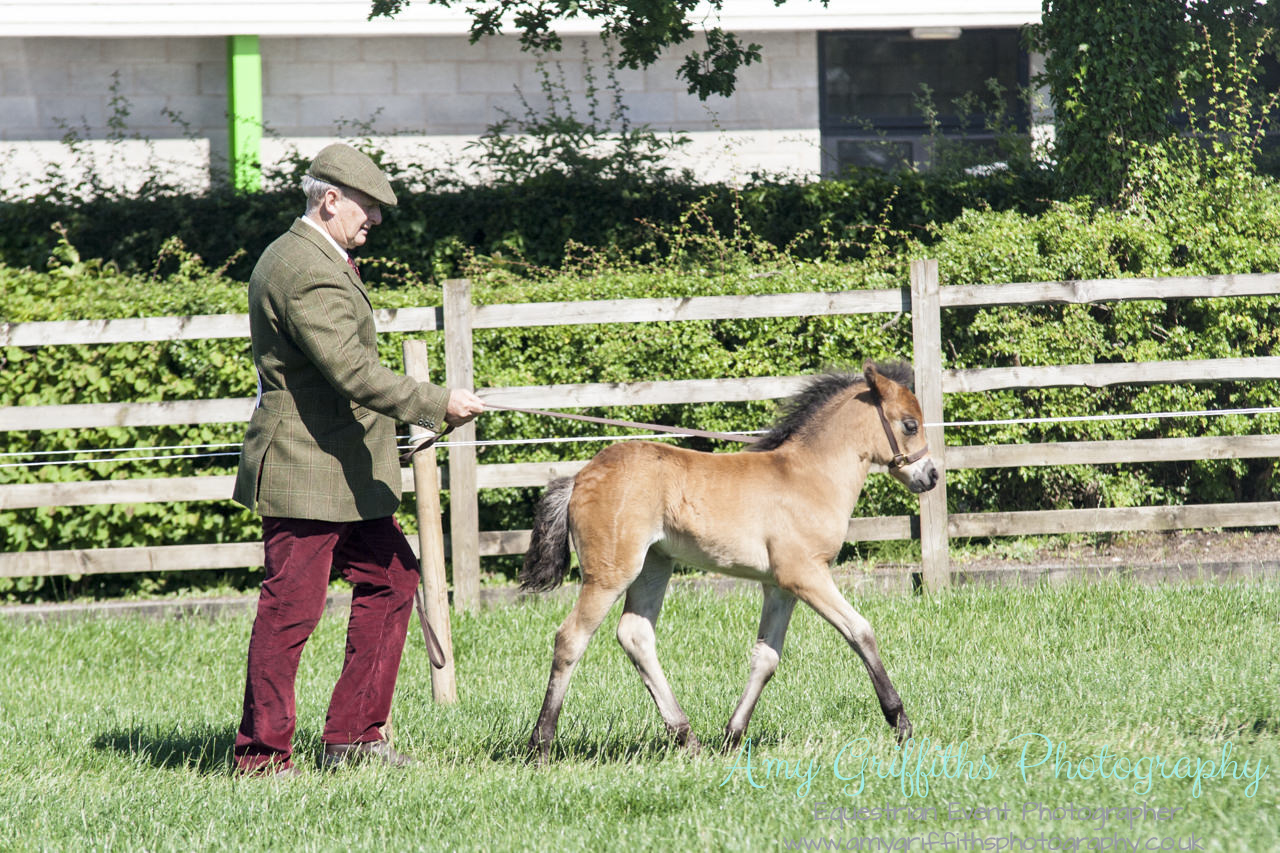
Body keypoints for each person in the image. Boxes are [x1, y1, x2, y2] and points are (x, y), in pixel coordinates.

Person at [230, 143, 484, 777]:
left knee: (394, 579)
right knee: (292, 610)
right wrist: (434, 403)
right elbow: (350, 370)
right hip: (305, 466)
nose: (375, 220)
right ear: (331, 199)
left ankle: (354, 740)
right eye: (368, 207)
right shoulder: (303, 266)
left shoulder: (315, 256)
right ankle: (261, 759)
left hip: (342, 468)